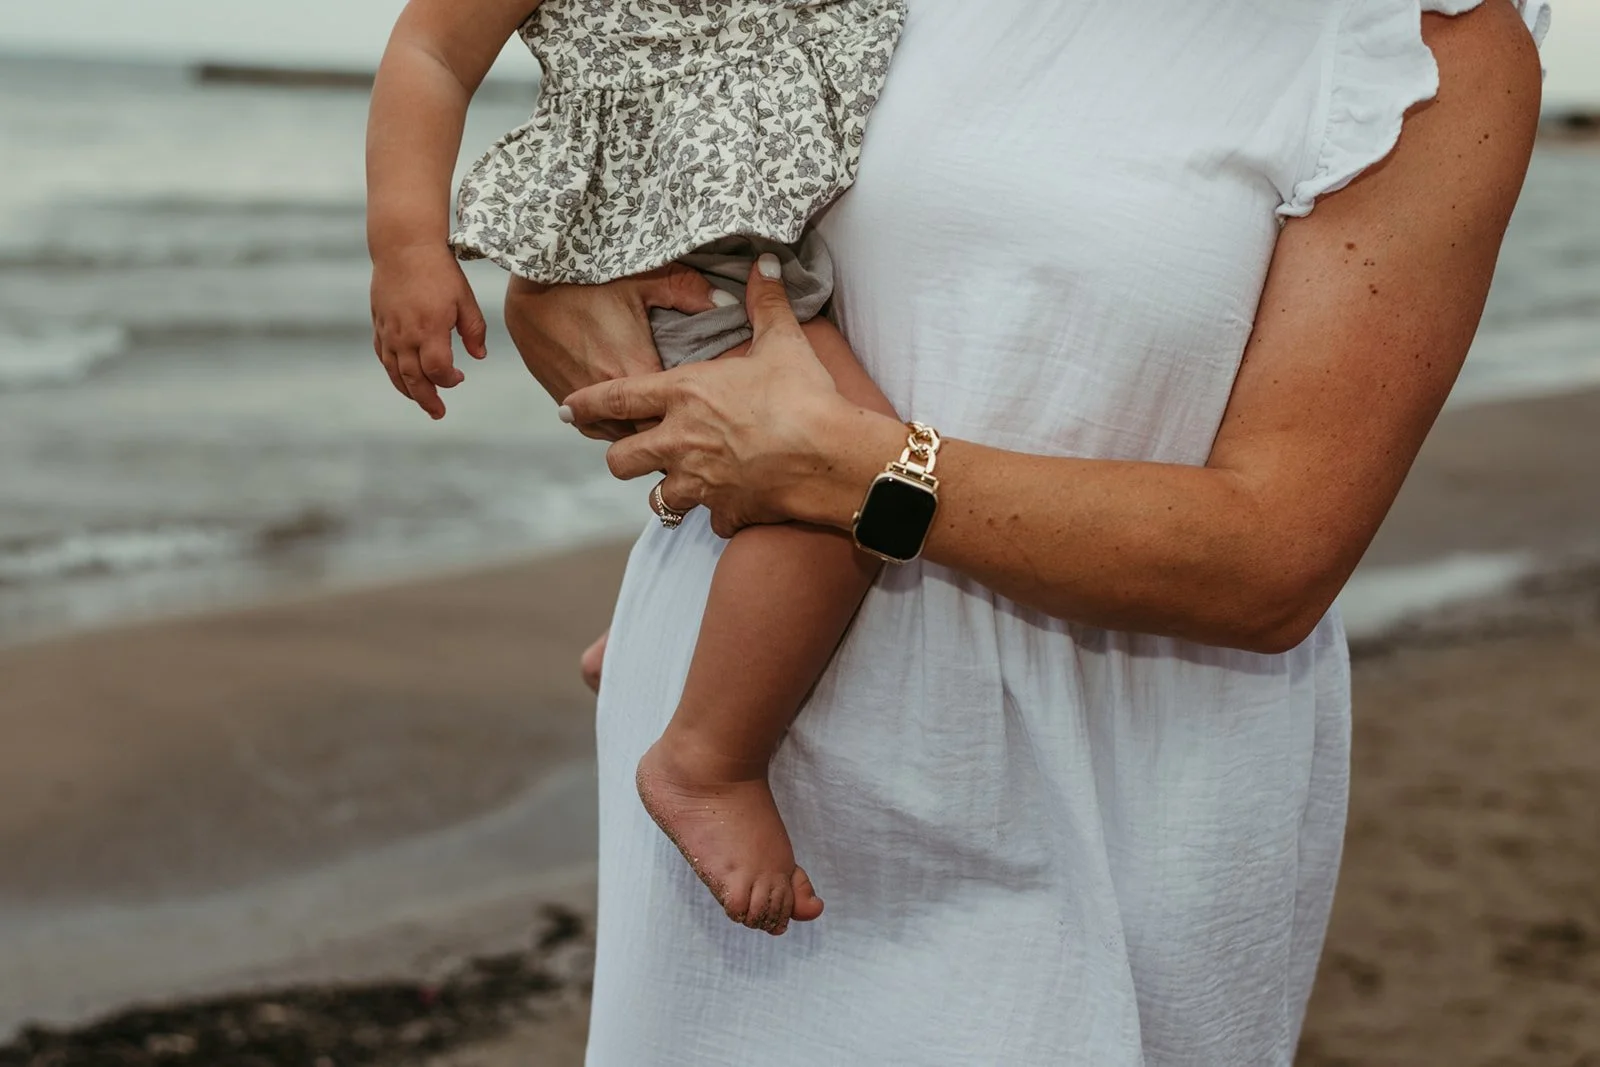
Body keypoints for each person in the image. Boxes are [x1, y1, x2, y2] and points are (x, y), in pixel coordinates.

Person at [554, 0, 1551, 1062]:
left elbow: (1273, 560)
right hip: (737, 752)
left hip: (1089, 790)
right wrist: (562, 300)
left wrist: (851, 471)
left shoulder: (1419, 48)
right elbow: (697, 230)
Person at [366, 0, 907, 935]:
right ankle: (706, 760)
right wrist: (407, 250)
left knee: (821, 476)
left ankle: (668, 647)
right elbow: (428, 53)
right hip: (673, 254)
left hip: (759, 241)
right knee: (850, 485)